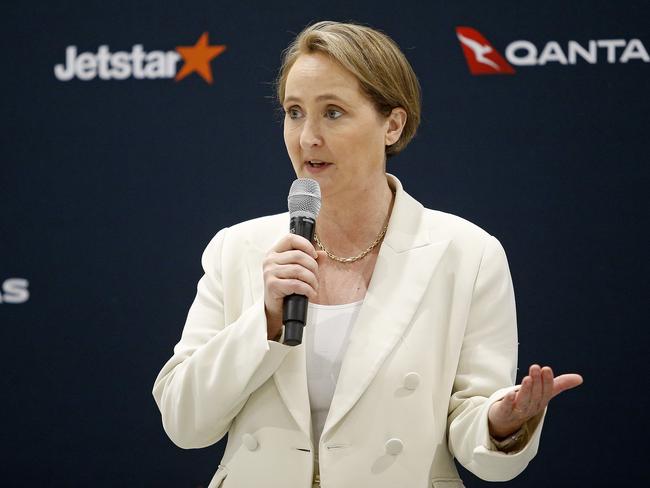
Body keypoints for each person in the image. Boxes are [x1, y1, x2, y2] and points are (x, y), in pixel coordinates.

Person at [152, 21, 582, 488]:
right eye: (294, 112)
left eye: (333, 112)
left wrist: (502, 423)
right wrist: (265, 321)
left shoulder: (468, 253)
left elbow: (474, 432)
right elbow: (184, 423)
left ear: (392, 125)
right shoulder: (236, 249)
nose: (307, 137)